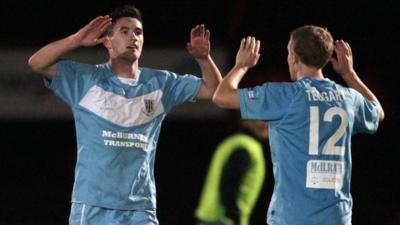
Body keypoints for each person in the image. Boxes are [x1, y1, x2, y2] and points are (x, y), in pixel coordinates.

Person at [27, 5, 222, 225]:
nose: (134, 37)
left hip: (140, 208)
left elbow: (215, 92)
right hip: (92, 206)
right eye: (125, 31)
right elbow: (36, 63)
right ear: (107, 41)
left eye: (138, 32)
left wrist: (204, 59)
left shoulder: (161, 83)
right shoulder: (85, 80)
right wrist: (76, 39)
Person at [213, 25, 384, 225]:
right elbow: (378, 113)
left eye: (288, 52)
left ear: (294, 56)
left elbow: (221, 97)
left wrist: (241, 66)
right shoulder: (348, 98)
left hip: (293, 217)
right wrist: (349, 73)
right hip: (337, 217)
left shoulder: (286, 96)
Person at [195, 119, 268, 225]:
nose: (265, 123)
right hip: (223, 220)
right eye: (260, 119)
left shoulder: (233, 142)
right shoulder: (245, 147)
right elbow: (228, 185)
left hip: (212, 218)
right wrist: (236, 217)